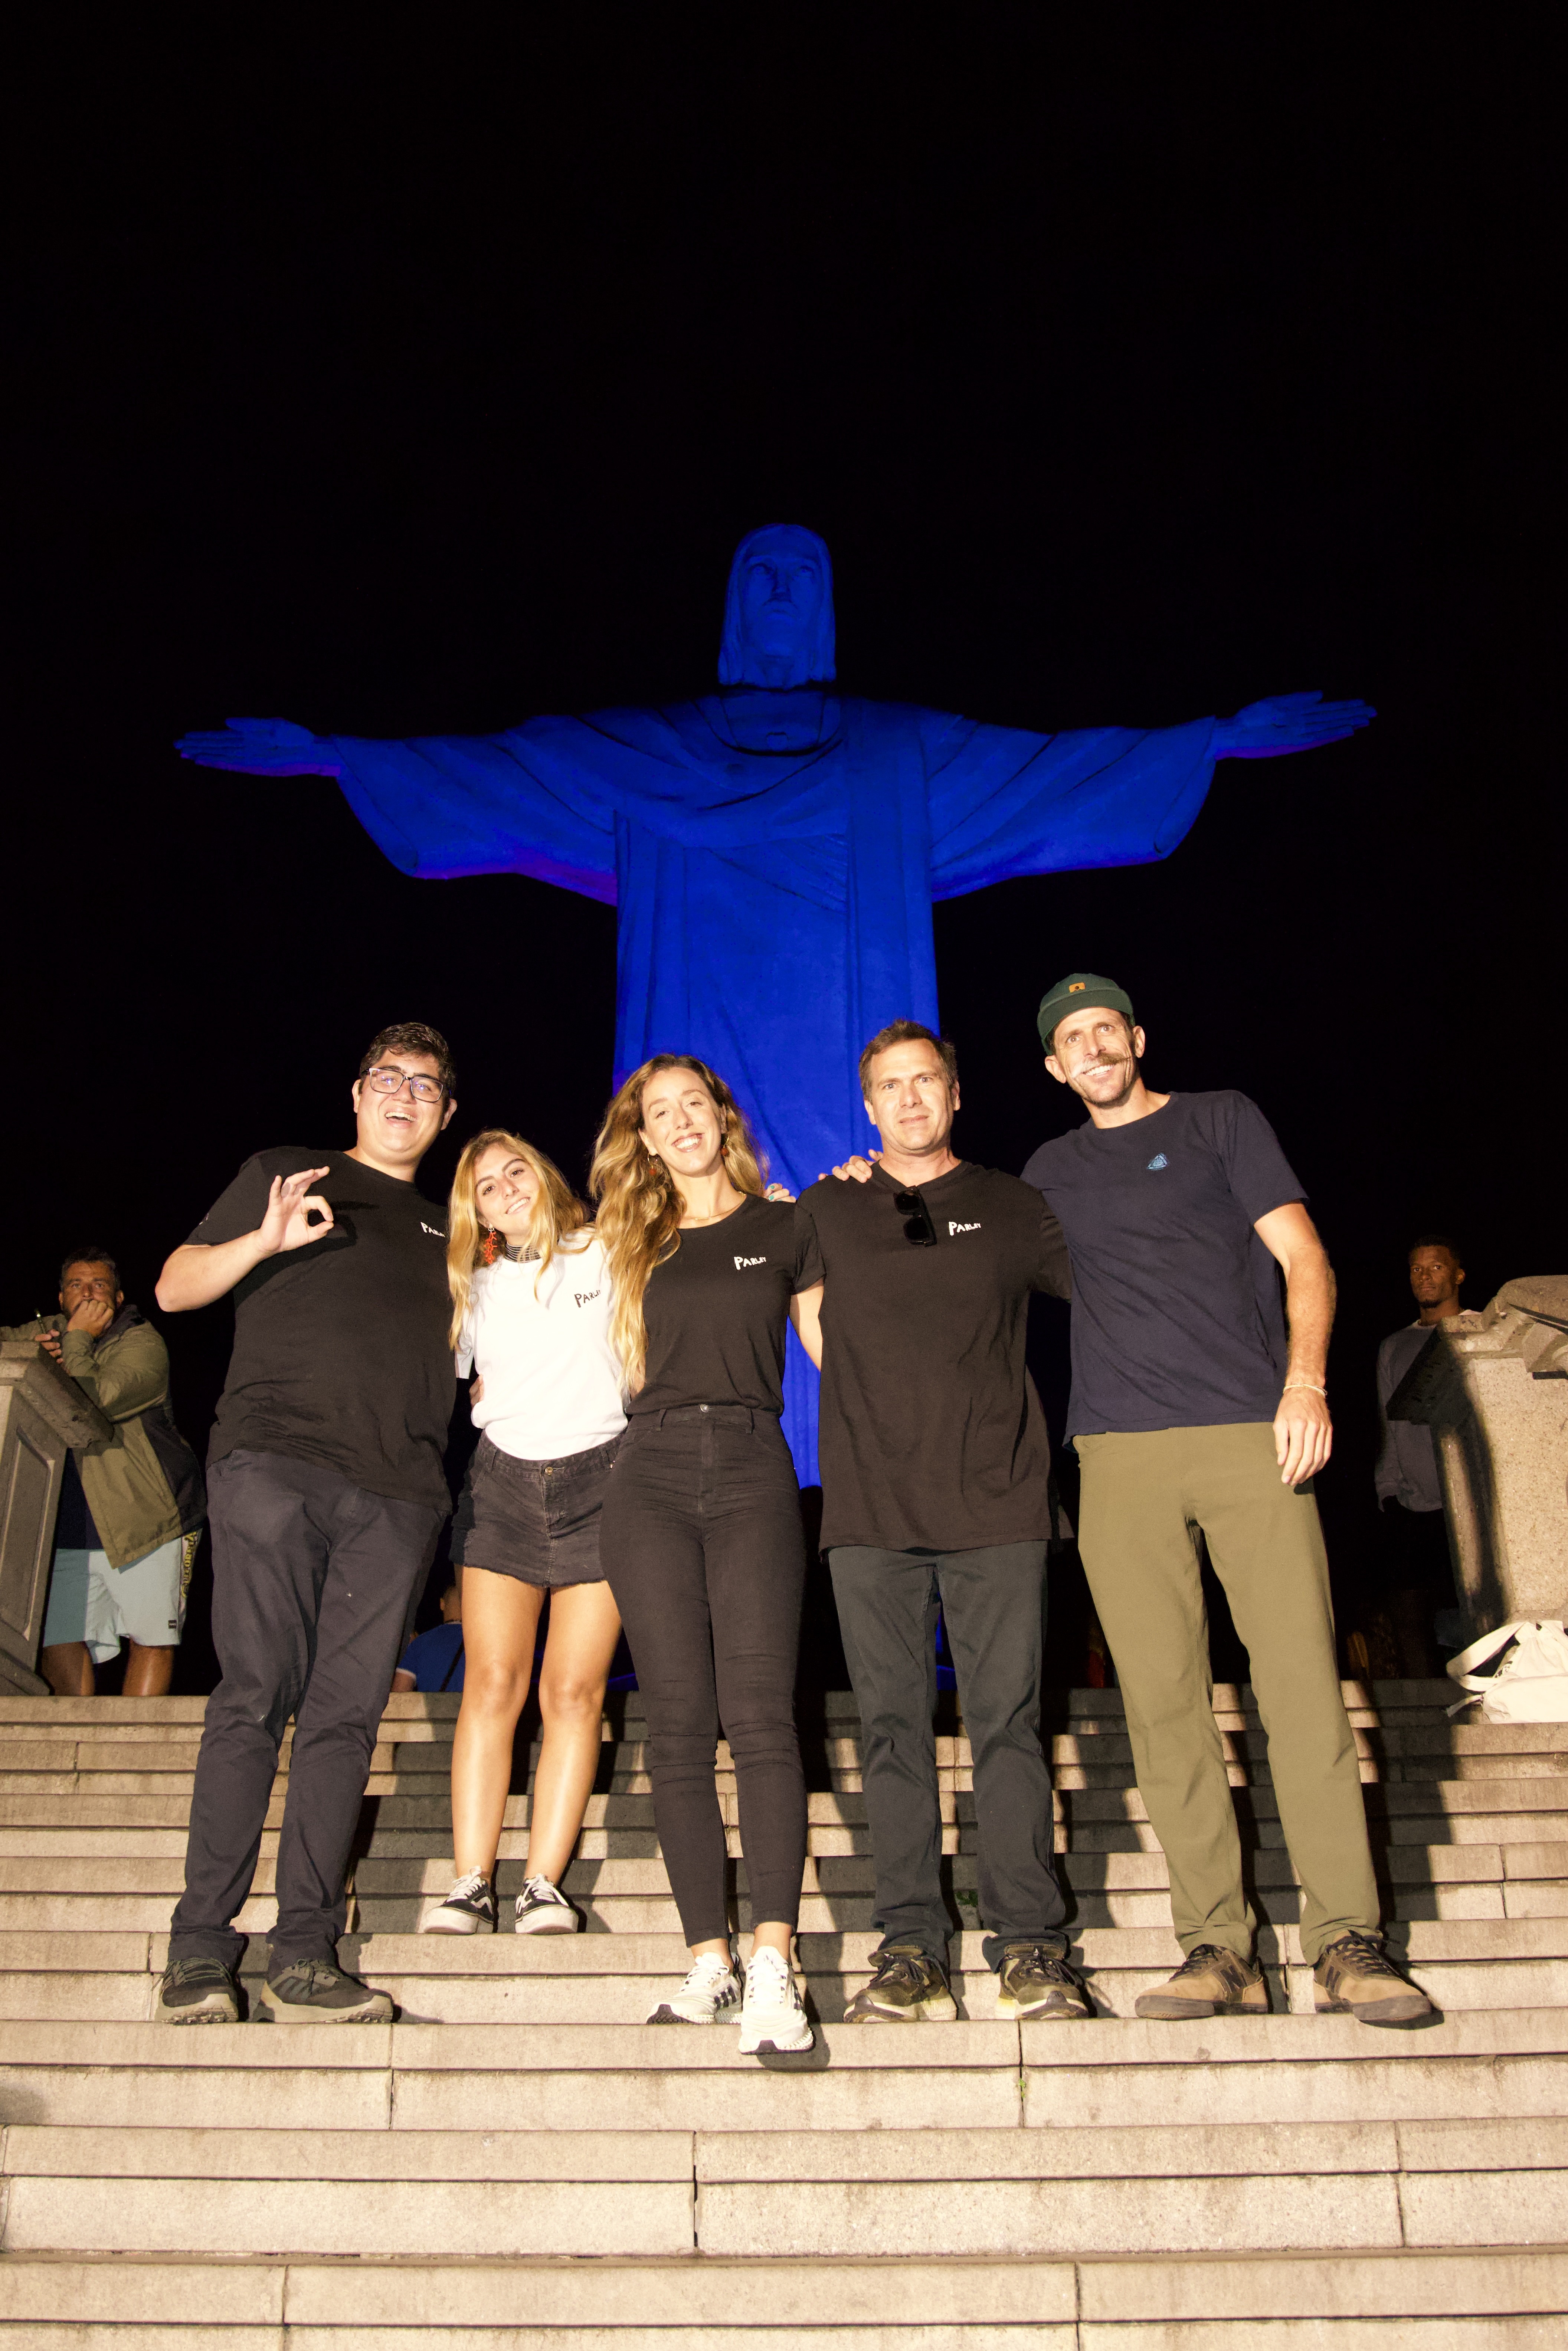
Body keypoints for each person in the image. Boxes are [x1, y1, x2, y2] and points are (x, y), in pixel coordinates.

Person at [177, 523, 1373, 1482]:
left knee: (864, 1284)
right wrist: (343, 757)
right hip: (693, 1060)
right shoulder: (653, 751)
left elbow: (1051, 769)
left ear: (833, 608)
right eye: (765, 577)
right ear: (735, 608)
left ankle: (908, 1513)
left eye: (807, 577)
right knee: (689, 1274)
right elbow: (502, 768)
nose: (786, 596)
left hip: (855, 1093)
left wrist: (1205, 742)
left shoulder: (894, 751)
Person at [1022, 972, 1431, 2026]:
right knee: (1162, 1709)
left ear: (1136, 1037)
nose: (1095, 1043)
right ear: (1056, 1068)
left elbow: (1305, 1257)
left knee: (1299, 1685)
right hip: (1117, 1453)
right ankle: (1219, 1944)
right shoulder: (1050, 1170)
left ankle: (1348, 1935)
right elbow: (954, 1242)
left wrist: (1305, 1382)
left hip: (1251, 1431)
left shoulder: (1220, 1120)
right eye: (1074, 1036)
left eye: (1106, 1025)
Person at [153, 1023, 458, 2026]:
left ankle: (305, 1951)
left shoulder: (455, 1227)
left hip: (397, 1494)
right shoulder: (288, 1171)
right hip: (273, 1463)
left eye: (425, 1085)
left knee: (344, 1720)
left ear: (446, 1113)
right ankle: (201, 1951)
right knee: (253, 1695)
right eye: (388, 1078)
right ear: (357, 1091)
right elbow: (173, 1285)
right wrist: (264, 1239)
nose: (405, 1095)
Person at [800, 1021, 1086, 2026]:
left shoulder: (1014, 1205)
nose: (910, 1098)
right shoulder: (828, 1203)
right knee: (890, 1730)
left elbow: (1115, 1283)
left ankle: (1030, 1945)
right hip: (872, 1512)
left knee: (1008, 1725)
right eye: (890, 1085)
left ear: (956, 1093)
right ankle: (912, 1946)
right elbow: (756, 1273)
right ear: (867, 1104)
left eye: (927, 1081)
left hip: (999, 1502)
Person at [591, 1054, 821, 2056]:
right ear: (641, 1134)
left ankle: (775, 1959)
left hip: (751, 1471)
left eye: (695, 1103)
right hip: (644, 1477)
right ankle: (709, 1957)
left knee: (762, 1715)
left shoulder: (786, 1224)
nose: (680, 1121)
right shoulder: (620, 1242)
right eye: (659, 1111)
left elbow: (841, 1349)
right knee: (676, 1725)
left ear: (724, 1116)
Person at [417, 1130, 626, 1936]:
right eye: (485, 1184)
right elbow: (463, 1378)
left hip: (603, 1482)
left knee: (572, 1690)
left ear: (543, 1176)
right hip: (503, 1486)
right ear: (473, 1208)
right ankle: (471, 1880)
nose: (504, 1187)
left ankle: (544, 1882)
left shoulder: (606, 1249)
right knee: (493, 1684)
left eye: (515, 1171)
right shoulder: (468, 1284)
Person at [2, 1250, 204, 1698]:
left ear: (118, 1295)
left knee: (153, 1637)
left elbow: (99, 1402)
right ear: (61, 1296)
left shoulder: (141, 1341)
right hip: (66, 1520)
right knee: (60, 1636)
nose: (88, 1291)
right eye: (76, 1284)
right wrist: (30, 1353)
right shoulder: (51, 1330)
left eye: (98, 1284)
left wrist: (75, 1343)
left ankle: (136, 1751)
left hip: (146, 1517)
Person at [1375, 1235, 1471, 1677]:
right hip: (1414, 1499)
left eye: (1435, 1267)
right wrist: (1388, 1485)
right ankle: (1427, 1701)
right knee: (1410, 1604)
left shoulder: (1480, 1328)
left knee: (1472, 1602)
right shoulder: (1394, 1344)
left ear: (1457, 1274)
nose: (1424, 1276)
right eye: (1416, 1269)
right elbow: (1387, 1420)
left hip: (1472, 1496)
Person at [393, 1574, 465, 1694]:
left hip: (432, 1712)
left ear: (442, 1604)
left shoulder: (419, 1644)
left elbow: (399, 1693)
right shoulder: (486, 1644)